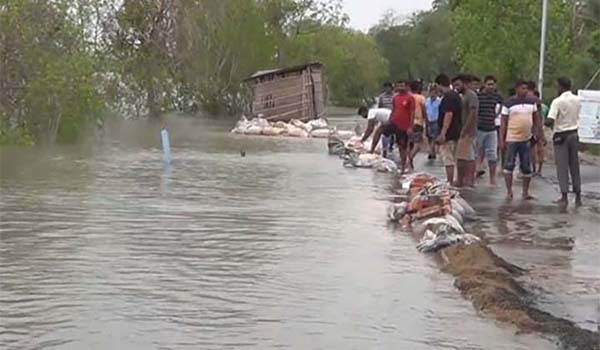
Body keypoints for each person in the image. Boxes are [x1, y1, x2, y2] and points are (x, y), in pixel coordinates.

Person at [499, 80, 544, 200]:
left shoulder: (531, 102)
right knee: (509, 165)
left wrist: (538, 133)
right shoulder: (508, 103)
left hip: (526, 139)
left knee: (526, 167)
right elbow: (503, 122)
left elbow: (536, 118)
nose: (525, 91)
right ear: (517, 89)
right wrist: (501, 140)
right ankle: (509, 192)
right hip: (512, 138)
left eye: (526, 89)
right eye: (523, 88)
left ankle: (525, 192)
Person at [546, 77, 582, 206]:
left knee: (562, 167)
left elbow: (550, 119)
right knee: (574, 166)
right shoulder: (578, 99)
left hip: (561, 136)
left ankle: (564, 196)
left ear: (560, 87)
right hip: (574, 134)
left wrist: (545, 124)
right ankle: (578, 196)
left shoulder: (557, 101)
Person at [370, 81, 415, 173]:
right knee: (379, 130)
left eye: (402, 86)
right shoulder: (395, 98)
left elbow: (412, 113)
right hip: (393, 122)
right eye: (399, 86)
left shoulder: (410, 98)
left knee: (402, 146)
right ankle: (372, 149)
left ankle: (403, 167)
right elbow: (394, 110)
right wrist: (389, 120)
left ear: (407, 87)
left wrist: (410, 127)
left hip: (404, 126)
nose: (400, 87)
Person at [435, 74, 462, 184]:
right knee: (455, 158)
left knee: (448, 159)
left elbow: (448, 115)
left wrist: (443, 133)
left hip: (449, 134)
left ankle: (450, 182)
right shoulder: (455, 96)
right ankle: (456, 180)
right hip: (456, 131)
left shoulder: (448, 97)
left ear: (439, 85)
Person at [475, 75, 503, 185]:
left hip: (492, 128)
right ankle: (474, 173)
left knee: (492, 155)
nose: (490, 86)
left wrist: (497, 114)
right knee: (476, 153)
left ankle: (492, 179)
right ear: (484, 84)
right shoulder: (479, 96)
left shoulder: (497, 97)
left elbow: (501, 105)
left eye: (492, 84)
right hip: (479, 128)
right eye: (488, 84)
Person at [452, 74, 479, 187]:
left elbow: (473, 113)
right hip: (464, 130)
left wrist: (465, 129)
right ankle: (462, 180)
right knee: (462, 156)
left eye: (458, 84)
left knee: (468, 157)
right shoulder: (463, 96)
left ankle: (468, 180)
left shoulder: (471, 95)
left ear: (465, 83)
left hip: (468, 131)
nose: (456, 87)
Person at [409, 80, 427, 170]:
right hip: (418, 123)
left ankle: (408, 162)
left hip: (408, 123)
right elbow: (424, 110)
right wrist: (426, 121)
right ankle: (410, 158)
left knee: (409, 143)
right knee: (418, 144)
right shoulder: (421, 98)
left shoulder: (408, 97)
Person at [532, 90, 549, 175]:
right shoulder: (544, 107)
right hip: (540, 129)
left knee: (536, 150)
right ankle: (538, 170)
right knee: (538, 150)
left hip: (535, 129)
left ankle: (536, 169)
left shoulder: (534, 106)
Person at [425, 84, 441, 159]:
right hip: (428, 120)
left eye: (434, 92)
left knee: (434, 137)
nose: (432, 94)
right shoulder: (427, 101)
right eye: (431, 92)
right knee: (429, 136)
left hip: (436, 120)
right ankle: (433, 152)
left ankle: (431, 151)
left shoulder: (439, 101)